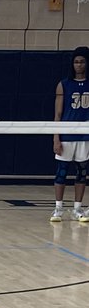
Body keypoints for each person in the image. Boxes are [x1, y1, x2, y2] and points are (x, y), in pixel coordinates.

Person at [51, 45, 89, 222]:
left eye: (82, 62)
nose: (79, 65)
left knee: (82, 172)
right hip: (67, 134)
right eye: (76, 62)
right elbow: (57, 114)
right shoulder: (64, 84)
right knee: (62, 172)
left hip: (85, 135)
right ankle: (58, 208)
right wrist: (56, 137)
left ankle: (77, 209)